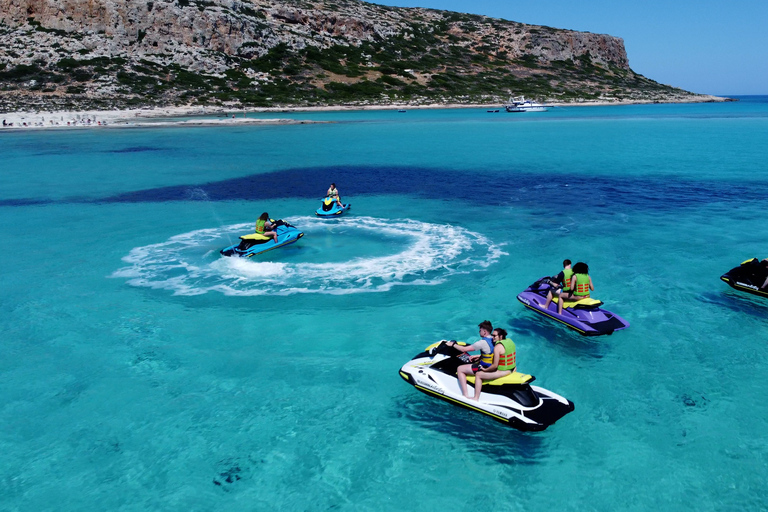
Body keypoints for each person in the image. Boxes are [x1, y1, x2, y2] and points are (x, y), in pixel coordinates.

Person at [445, 320, 495, 399]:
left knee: (460, 369)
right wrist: (480, 356)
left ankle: (465, 395)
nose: (479, 332)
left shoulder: (481, 342)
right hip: (492, 365)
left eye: (480, 330)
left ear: (485, 332)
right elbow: (491, 352)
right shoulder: (494, 339)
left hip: (484, 367)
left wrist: (453, 344)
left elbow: (463, 349)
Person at [469, 328, 516, 401]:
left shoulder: (497, 347)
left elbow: (494, 366)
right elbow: (504, 355)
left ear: (500, 336)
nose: (492, 337)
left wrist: (484, 370)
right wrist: (479, 356)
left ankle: (476, 398)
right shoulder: (510, 342)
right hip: (513, 368)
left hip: (504, 371)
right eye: (492, 335)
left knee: (478, 375)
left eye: (494, 336)